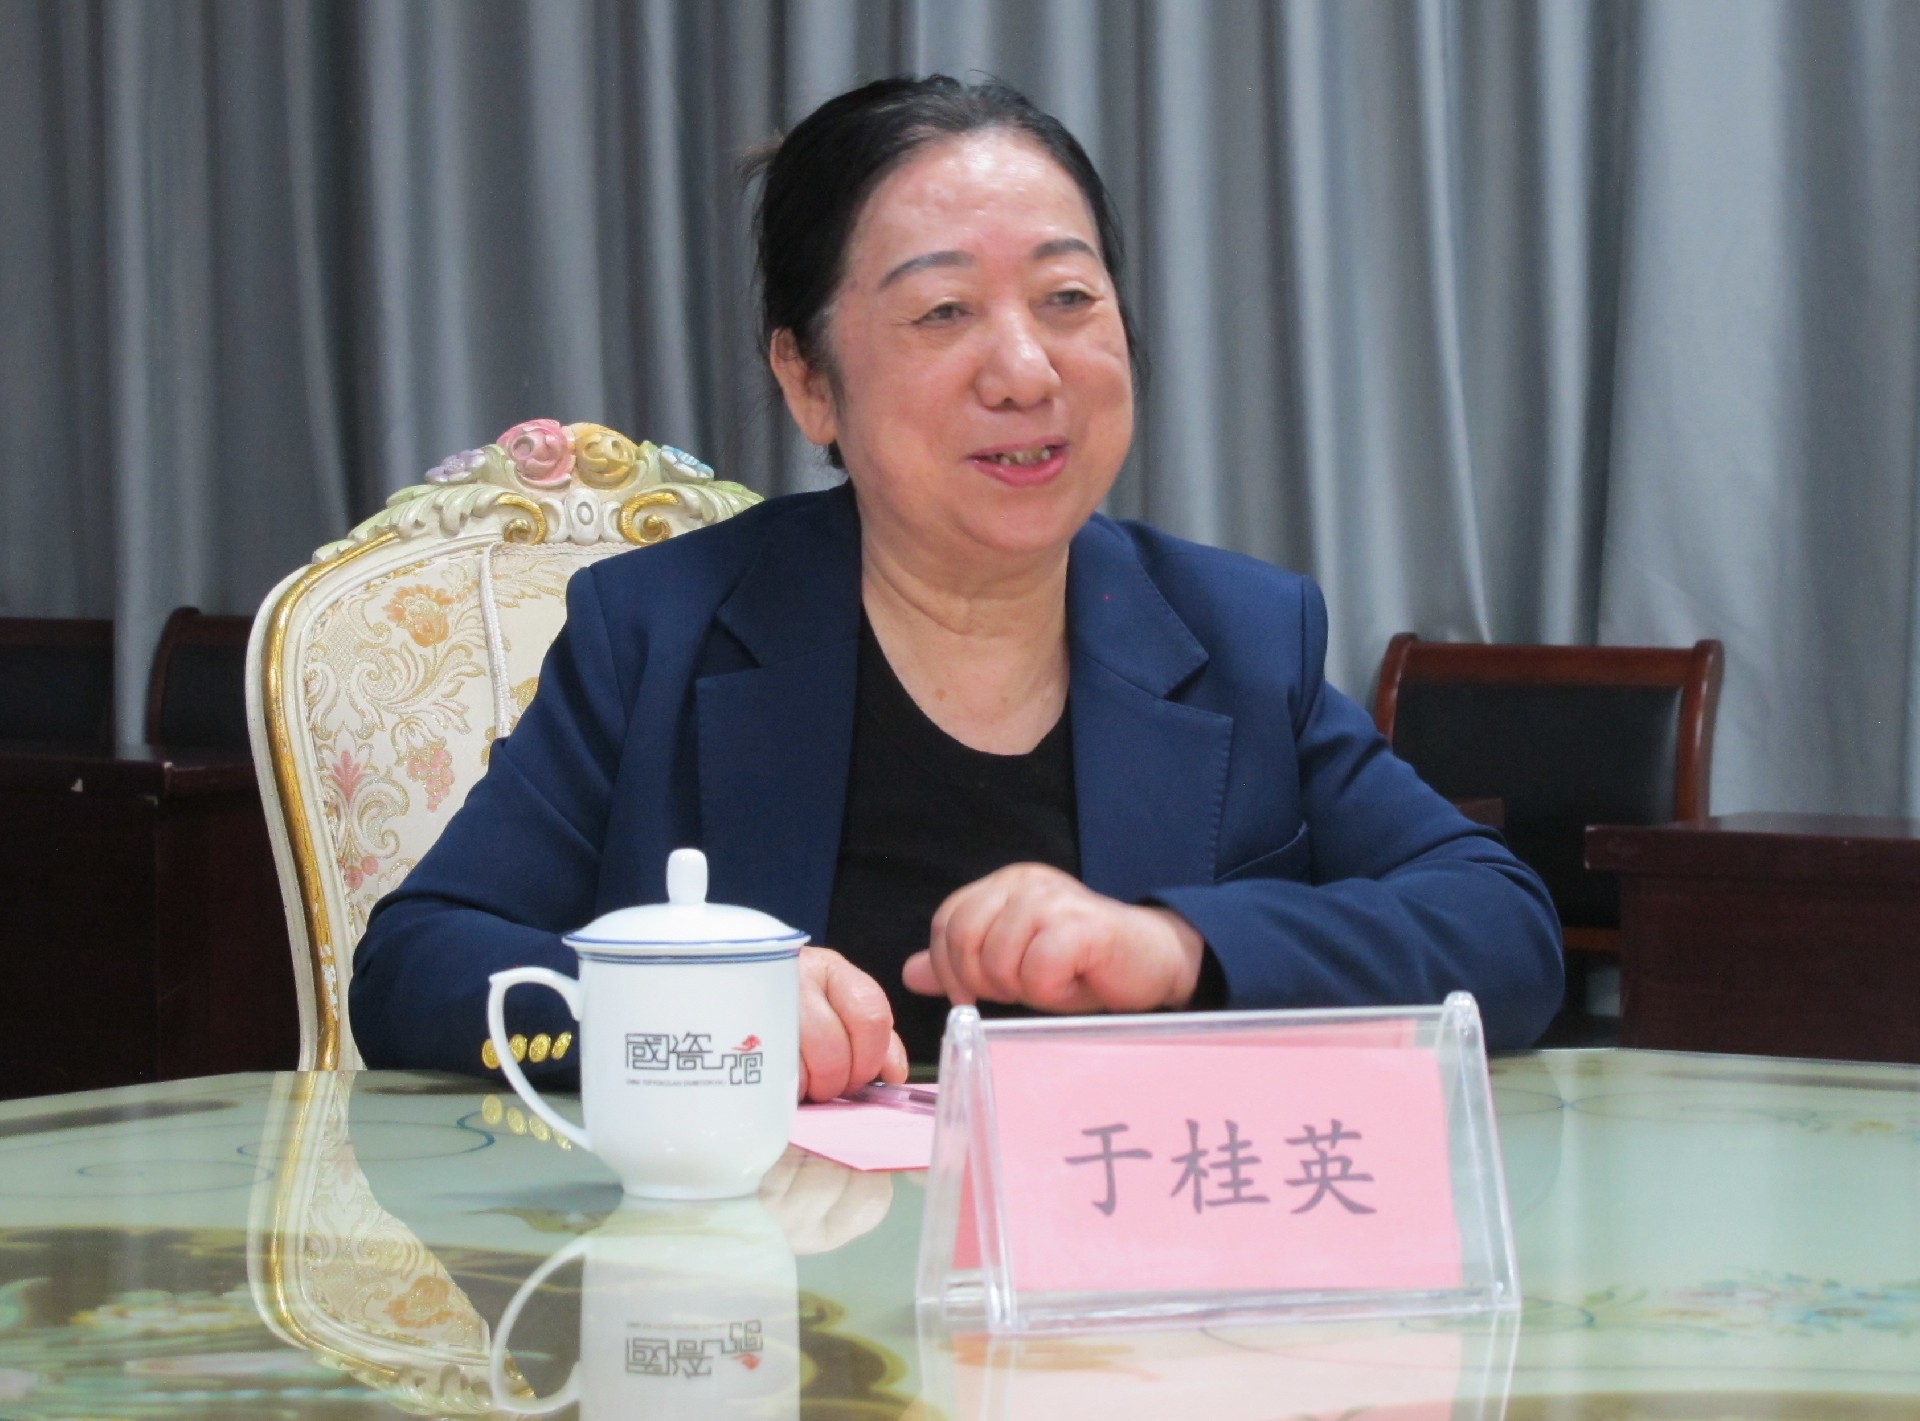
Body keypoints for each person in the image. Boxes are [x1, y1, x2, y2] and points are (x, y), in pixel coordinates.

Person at [350, 75, 1563, 1100]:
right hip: (763, 1285)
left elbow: (1502, 930)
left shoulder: (1235, 633)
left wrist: (1179, 946)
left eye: (1068, 297)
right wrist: (682, 1014)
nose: (1026, 370)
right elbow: (417, 966)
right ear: (809, 381)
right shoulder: (658, 632)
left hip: (1119, 1279)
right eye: (943, 311)